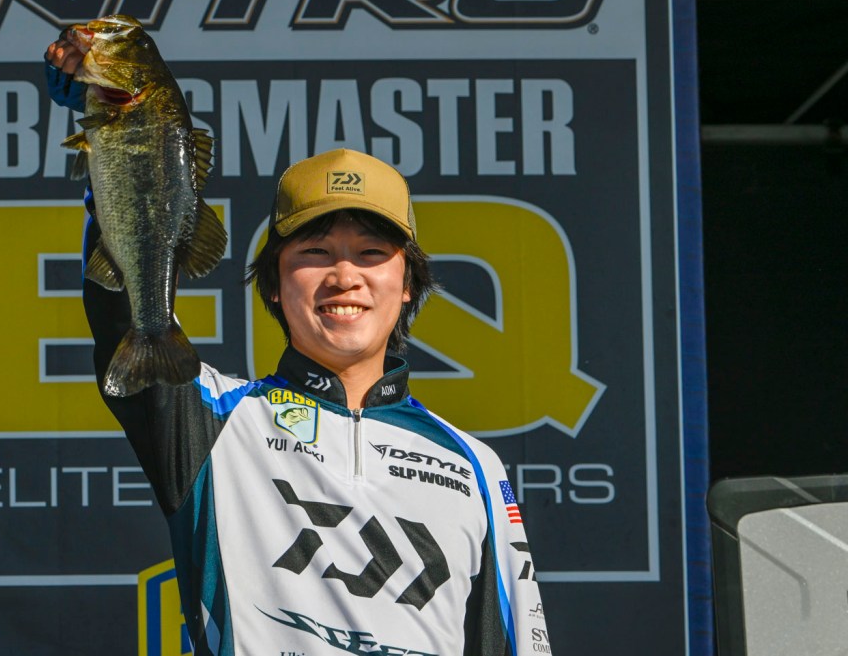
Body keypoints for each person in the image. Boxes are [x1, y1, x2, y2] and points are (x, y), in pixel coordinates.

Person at [47, 34, 551, 656]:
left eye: (371, 253)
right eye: (315, 252)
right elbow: (123, 311)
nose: (344, 276)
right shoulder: (212, 420)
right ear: (273, 284)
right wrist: (119, 142)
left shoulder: (474, 467)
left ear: (408, 284)